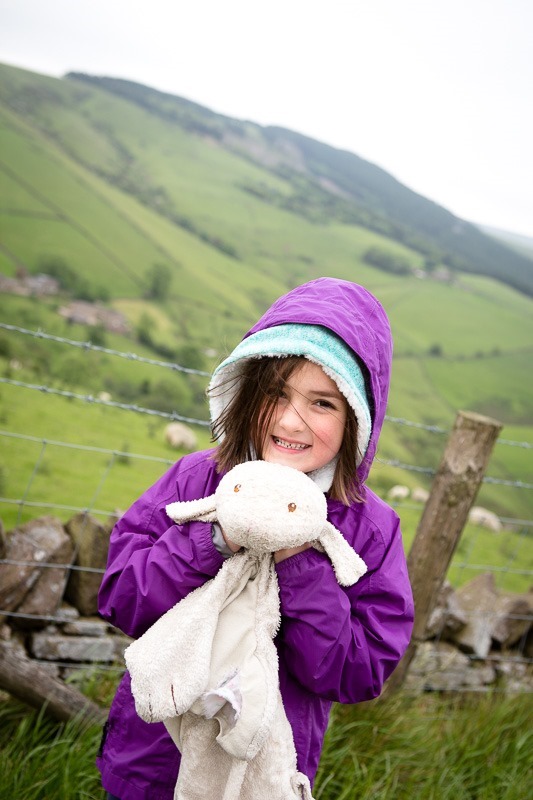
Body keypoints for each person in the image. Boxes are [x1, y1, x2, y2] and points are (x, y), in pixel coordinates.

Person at [96, 277, 414, 800]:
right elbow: (122, 596)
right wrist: (216, 538)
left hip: (261, 777)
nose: (291, 420)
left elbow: (356, 673)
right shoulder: (197, 480)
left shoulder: (369, 530)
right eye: (276, 393)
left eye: (322, 403)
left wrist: (298, 559)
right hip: (154, 761)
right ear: (248, 387)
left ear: (357, 417)